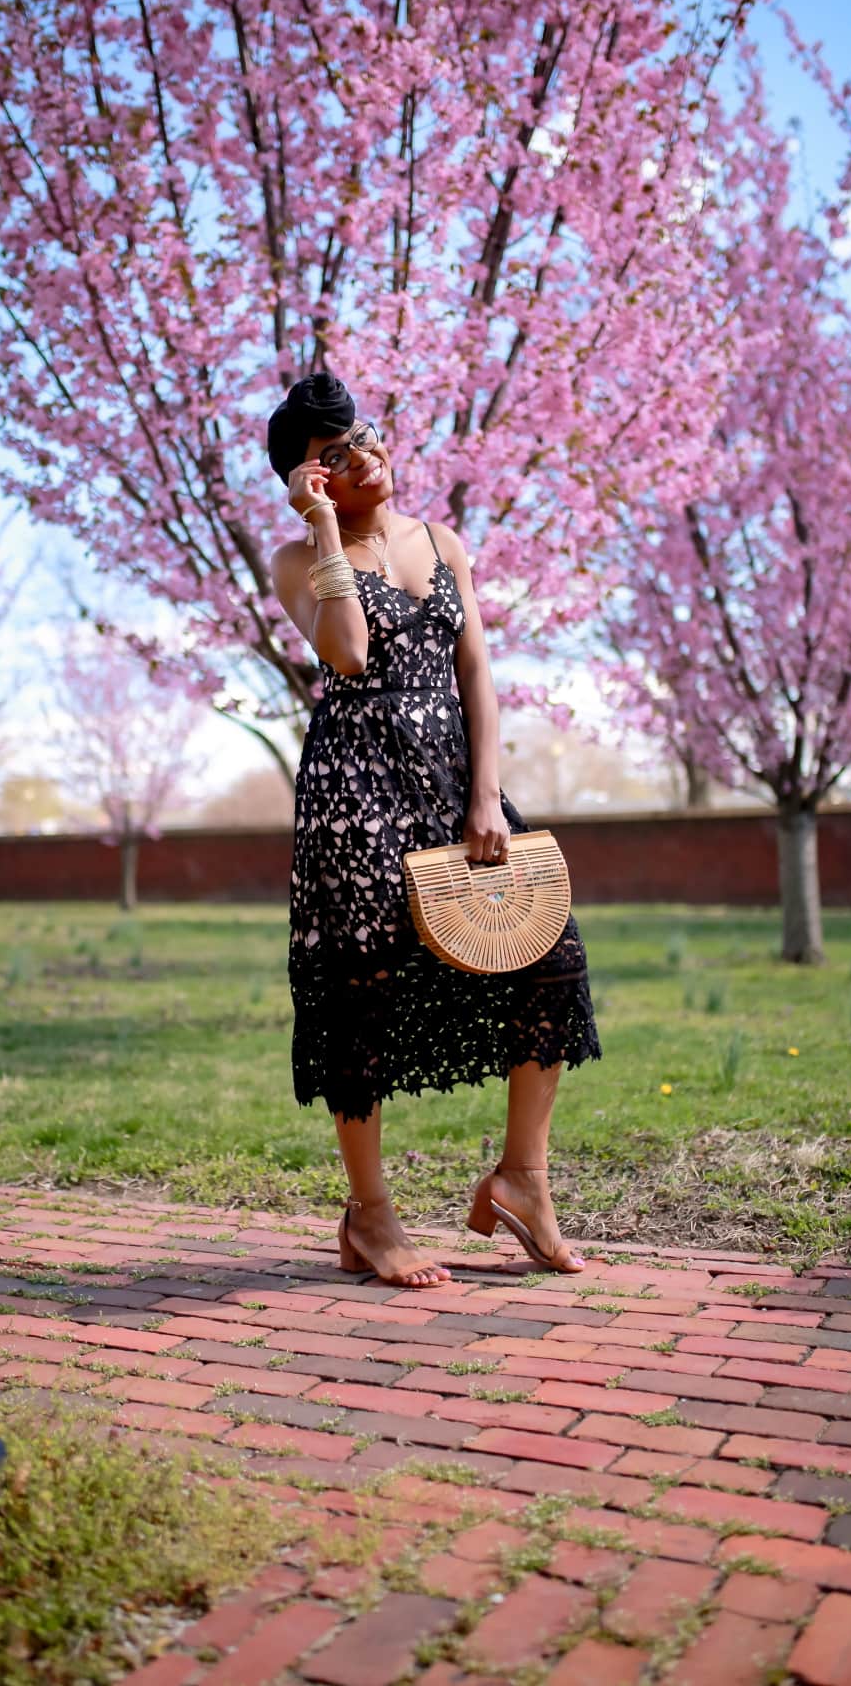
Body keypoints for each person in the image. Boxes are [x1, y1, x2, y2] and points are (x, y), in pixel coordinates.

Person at [267, 371, 602, 1289]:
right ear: (308, 485)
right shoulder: (297, 562)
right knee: (362, 993)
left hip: (453, 778)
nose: (360, 455)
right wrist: (331, 533)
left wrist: (486, 795)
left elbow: (478, 672)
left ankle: (523, 1179)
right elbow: (347, 652)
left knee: (551, 955)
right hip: (355, 788)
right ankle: (370, 1217)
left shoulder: (442, 541)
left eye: (362, 435)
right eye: (329, 456)